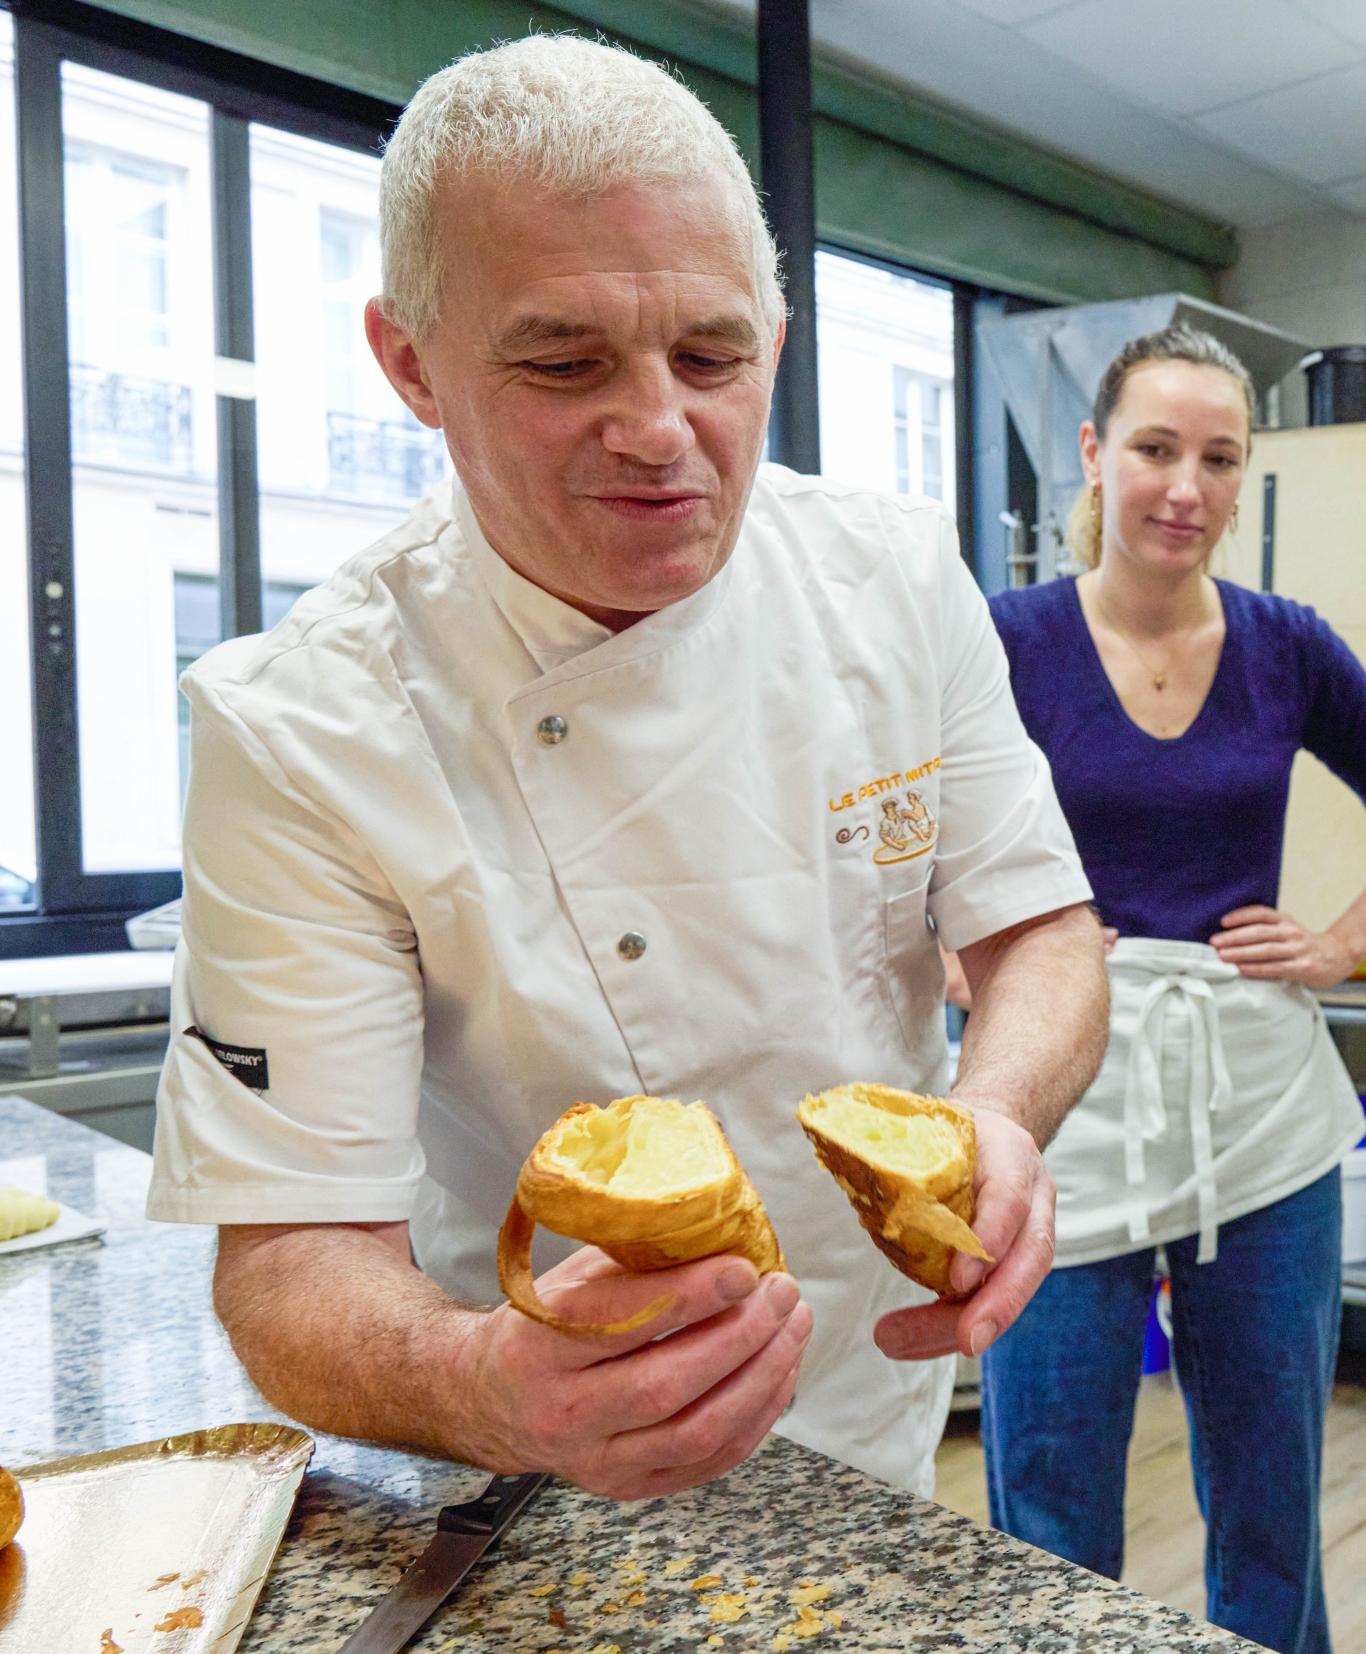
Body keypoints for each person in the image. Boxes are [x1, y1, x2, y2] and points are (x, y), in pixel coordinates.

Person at [146, 35, 1108, 1503]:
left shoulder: (893, 576)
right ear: (410, 362)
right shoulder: (303, 727)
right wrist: (483, 1386)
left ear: (775, 344)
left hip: (871, 1423)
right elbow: (287, 1265)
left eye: (714, 356)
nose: (663, 432)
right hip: (526, 1460)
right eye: (561, 361)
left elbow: (1039, 930)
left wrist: (996, 1115)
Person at [973, 325, 1366, 1654]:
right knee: (1047, 1510)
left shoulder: (1289, 647)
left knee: (1271, 1507)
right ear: (1094, 456)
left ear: (1245, 482)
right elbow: (888, 836)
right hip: (1061, 1113)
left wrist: (1345, 940)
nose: (1185, 485)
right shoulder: (1003, 641)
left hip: (1259, 1120)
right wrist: (969, 962)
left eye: (1217, 459)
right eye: (1155, 449)